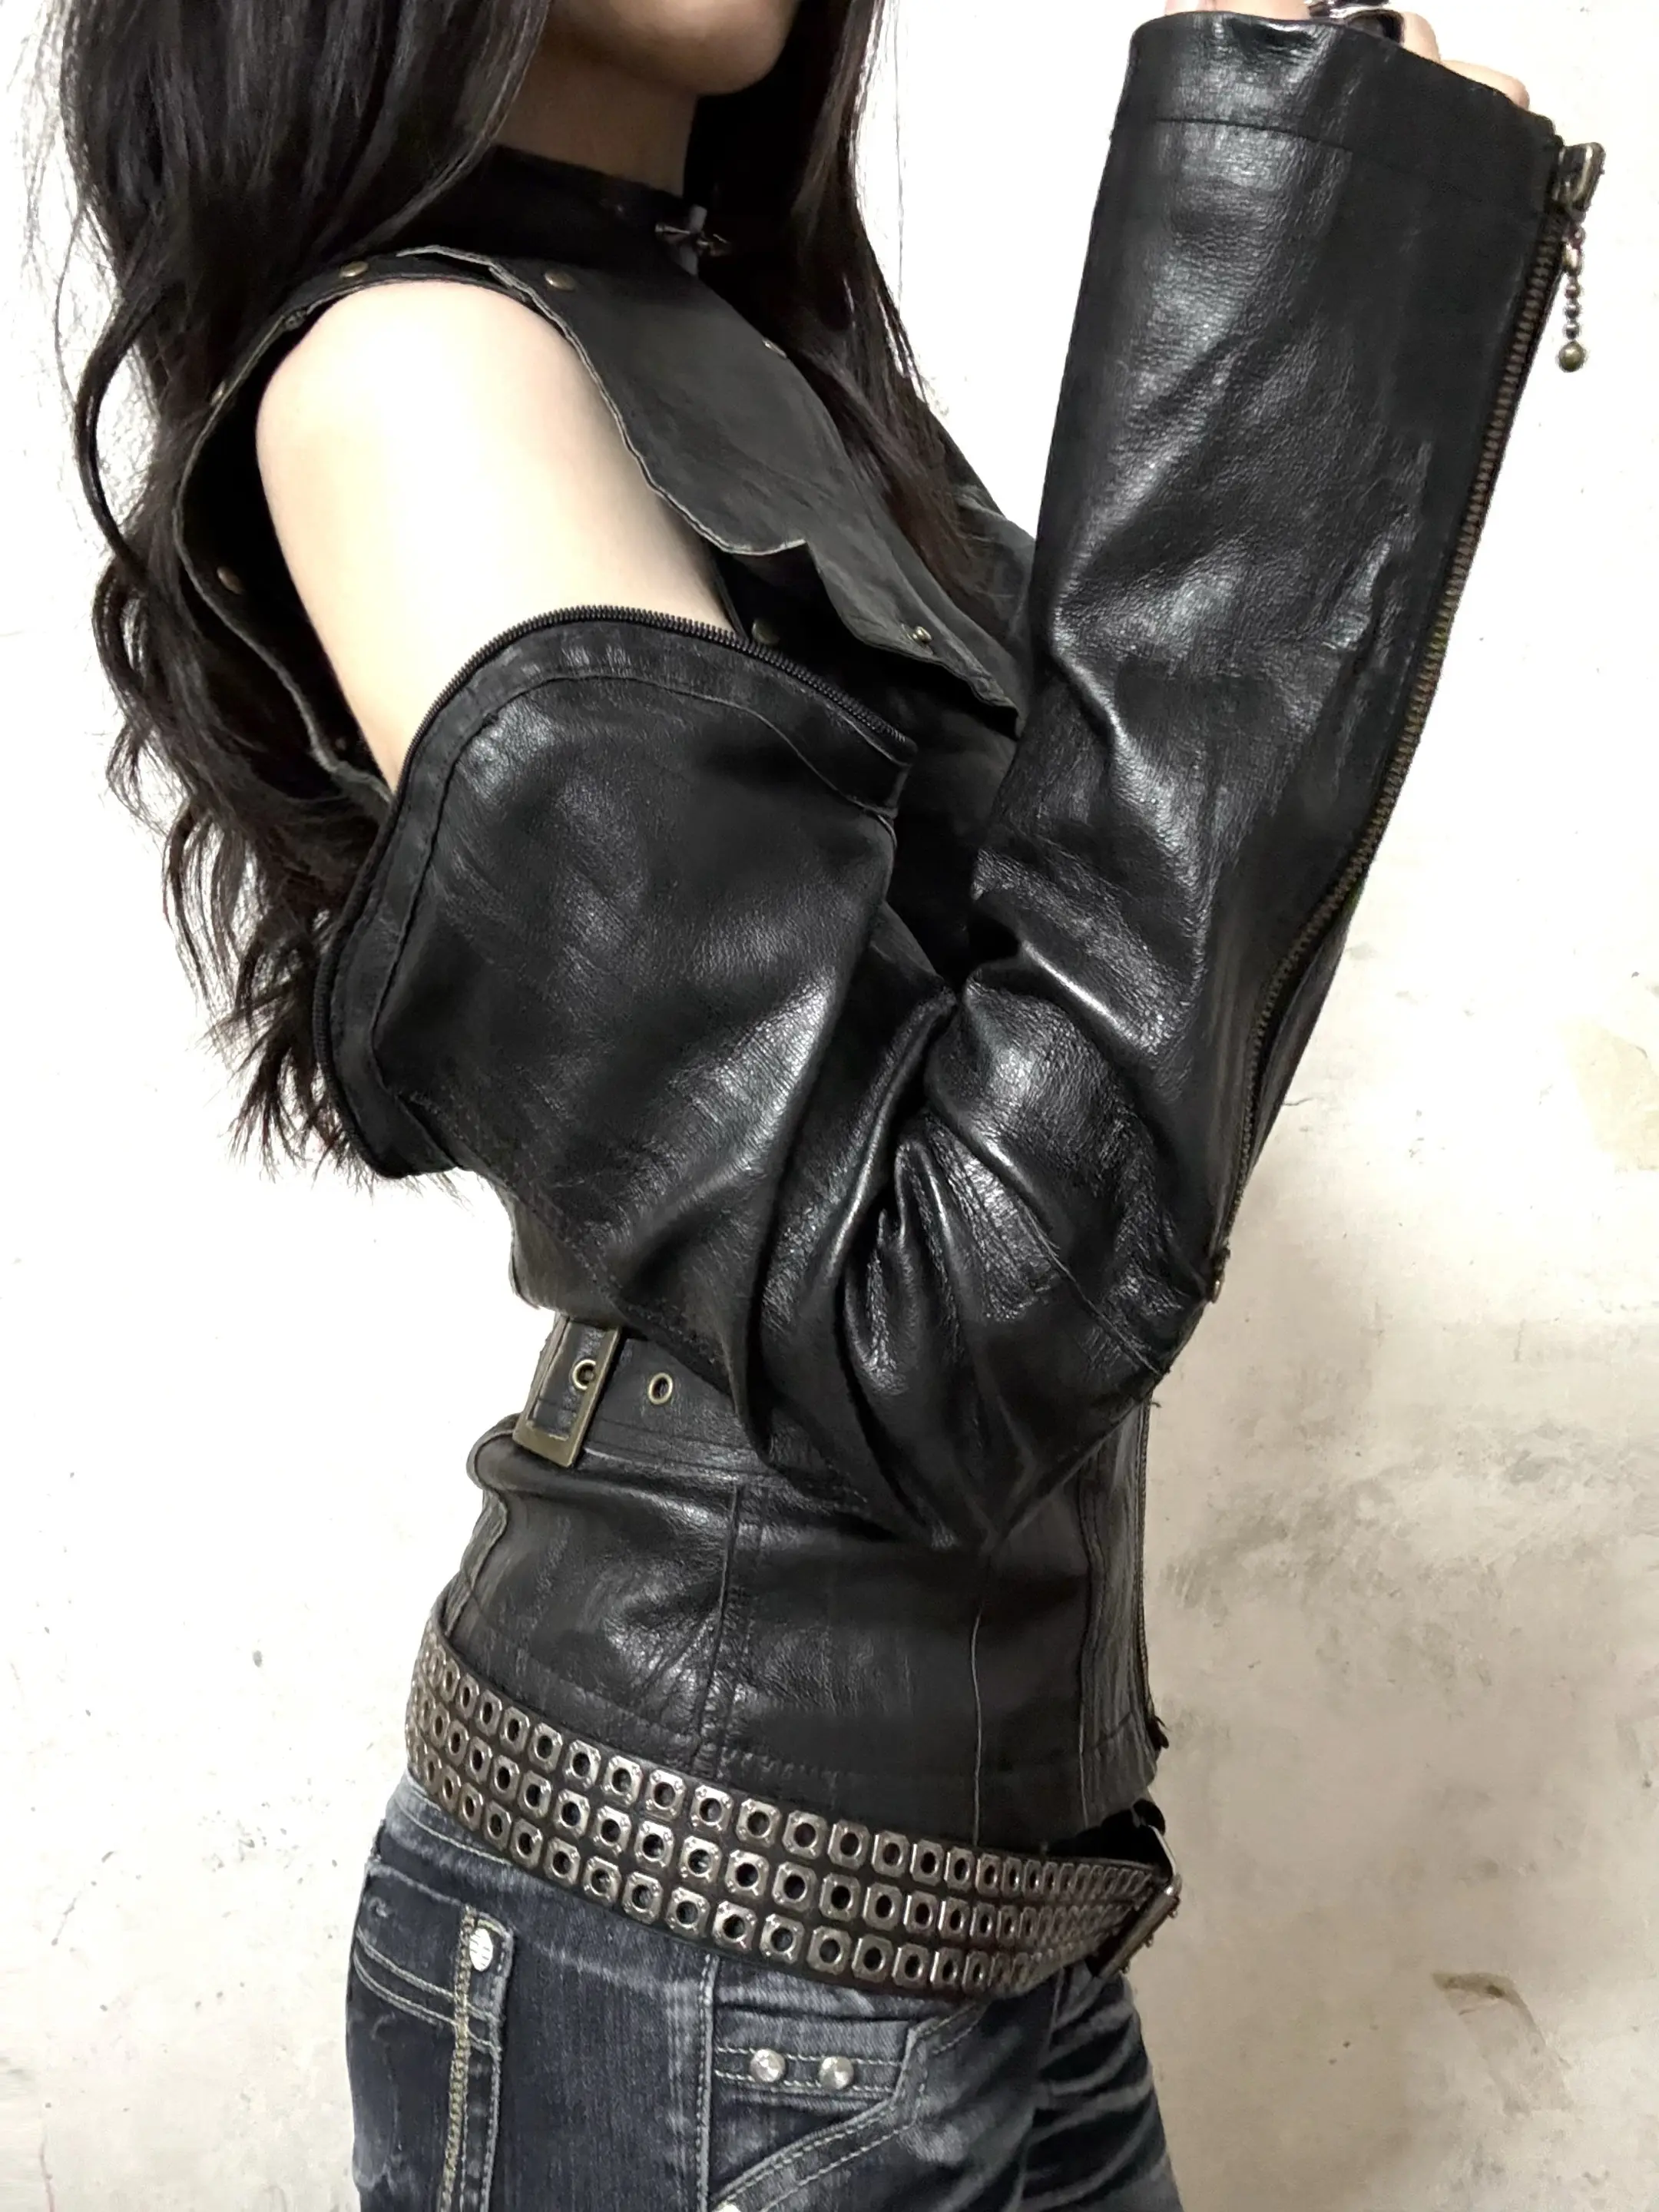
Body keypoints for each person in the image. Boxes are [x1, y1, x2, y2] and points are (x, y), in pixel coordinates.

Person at [47, 0, 1588, 2202]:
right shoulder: (418, 375)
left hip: (976, 1929)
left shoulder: (731, 352)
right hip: (708, 1971)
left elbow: (1074, 1034)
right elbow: (933, 1323)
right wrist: (1307, 299)